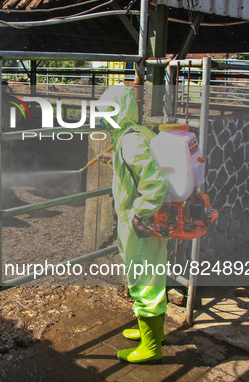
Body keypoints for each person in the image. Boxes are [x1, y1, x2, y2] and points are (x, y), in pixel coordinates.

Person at [95, 85, 168, 363]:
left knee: (143, 280)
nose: (102, 117)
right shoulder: (138, 134)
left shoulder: (130, 141)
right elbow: (138, 169)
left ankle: (151, 348)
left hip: (139, 221)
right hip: (145, 219)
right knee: (151, 276)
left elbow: (153, 181)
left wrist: (142, 215)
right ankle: (152, 332)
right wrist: (112, 159)